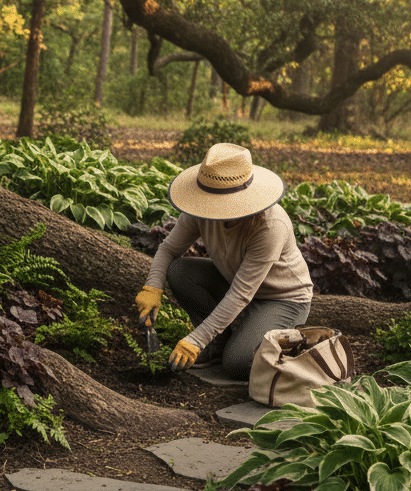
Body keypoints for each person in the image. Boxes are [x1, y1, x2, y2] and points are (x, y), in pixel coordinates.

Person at [134, 142, 313, 380]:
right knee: (179, 272)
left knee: (238, 364)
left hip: (282, 299)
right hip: (237, 284)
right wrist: (152, 287)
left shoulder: (270, 226)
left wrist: (195, 340)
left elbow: (241, 294)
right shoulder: (200, 208)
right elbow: (168, 249)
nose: (214, 211)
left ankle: (293, 350)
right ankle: (218, 344)